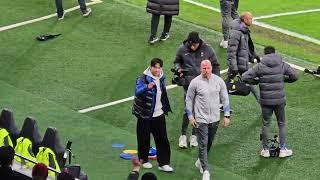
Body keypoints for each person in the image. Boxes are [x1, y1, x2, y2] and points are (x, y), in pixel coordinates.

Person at [242, 46, 298, 158]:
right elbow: (295, 76)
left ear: (265, 54)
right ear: (274, 52)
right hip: (279, 101)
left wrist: (256, 81)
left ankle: (266, 150)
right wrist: (284, 79)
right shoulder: (281, 64)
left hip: (266, 101)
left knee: (266, 124)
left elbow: (244, 77)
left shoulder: (260, 66)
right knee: (281, 124)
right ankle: (282, 149)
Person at [174, 31, 220, 148]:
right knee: (188, 109)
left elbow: (215, 65)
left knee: (198, 111)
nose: (193, 46)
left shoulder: (208, 50)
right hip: (188, 84)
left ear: (198, 42)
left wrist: (216, 80)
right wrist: (178, 69)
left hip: (204, 86)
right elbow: (177, 62)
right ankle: (183, 135)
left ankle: (194, 135)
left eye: (195, 44)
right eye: (191, 44)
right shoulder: (182, 49)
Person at [185, 60, 230, 180]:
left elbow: (225, 98)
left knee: (209, 142)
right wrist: (190, 116)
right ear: (201, 69)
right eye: (204, 68)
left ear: (211, 68)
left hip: (215, 118)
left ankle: (200, 161)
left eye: (208, 68)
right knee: (203, 144)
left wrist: (226, 115)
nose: (206, 70)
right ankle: (205, 171)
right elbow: (189, 100)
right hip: (201, 119)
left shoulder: (218, 81)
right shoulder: (195, 82)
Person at [132, 58, 173, 172]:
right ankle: (143, 160)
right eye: (155, 67)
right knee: (143, 138)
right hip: (145, 114)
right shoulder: (143, 78)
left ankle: (163, 163)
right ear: (150, 67)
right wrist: (147, 87)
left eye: (159, 67)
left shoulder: (161, 77)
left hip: (159, 114)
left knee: (162, 139)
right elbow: (137, 91)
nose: (157, 70)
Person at [227, 12, 260, 102]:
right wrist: (234, 67)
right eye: (250, 19)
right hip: (237, 65)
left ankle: (262, 103)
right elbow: (231, 51)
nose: (252, 20)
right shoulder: (237, 32)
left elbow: (246, 47)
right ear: (245, 20)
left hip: (242, 64)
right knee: (225, 85)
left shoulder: (244, 30)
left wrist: (254, 55)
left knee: (226, 84)